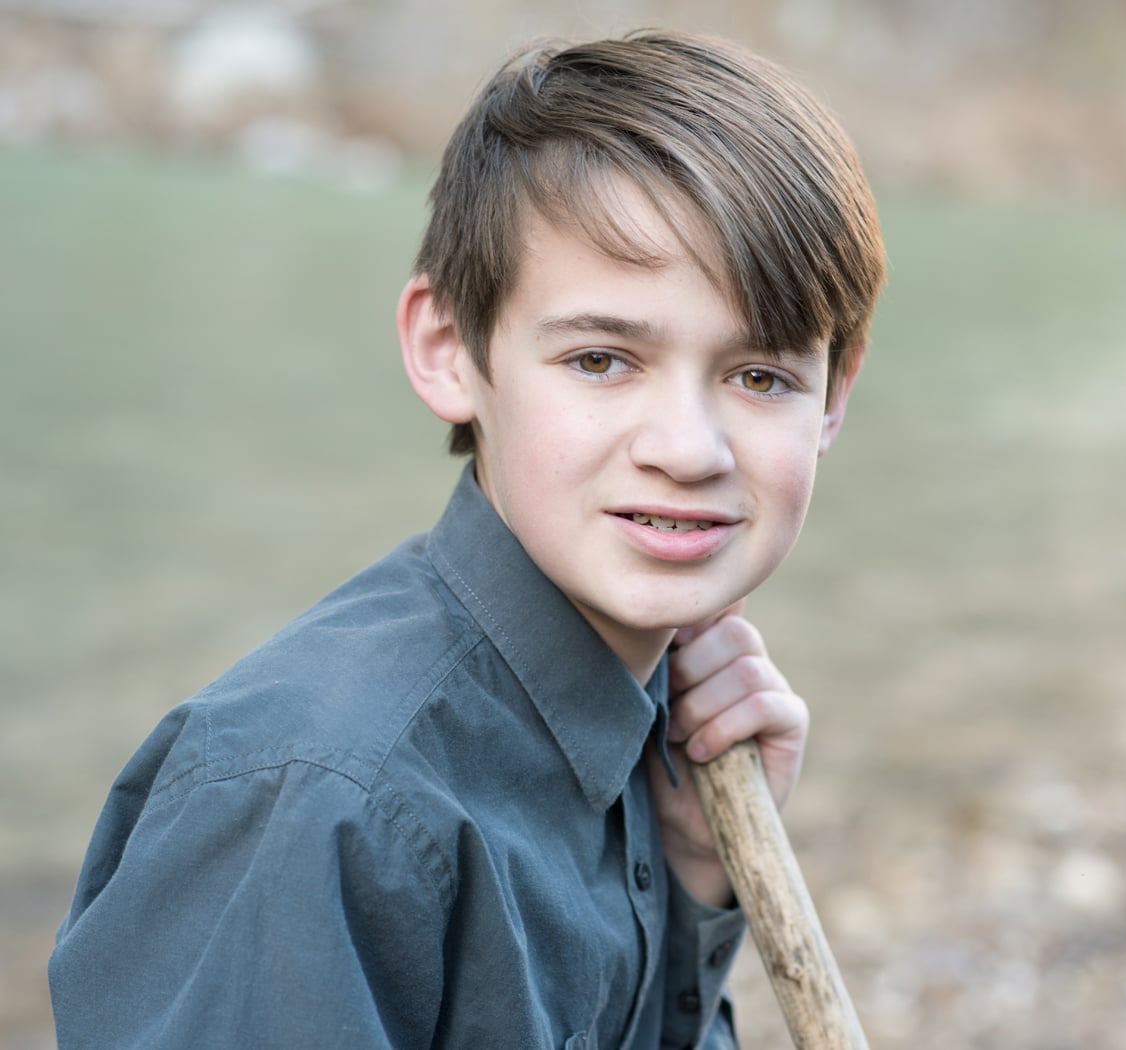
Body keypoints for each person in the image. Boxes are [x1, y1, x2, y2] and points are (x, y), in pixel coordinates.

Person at [48, 30, 885, 1049]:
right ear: (449, 350)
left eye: (759, 376)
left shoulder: (656, 736)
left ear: (831, 397)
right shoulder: (315, 801)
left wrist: (696, 882)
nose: (687, 449)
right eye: (601, 359)